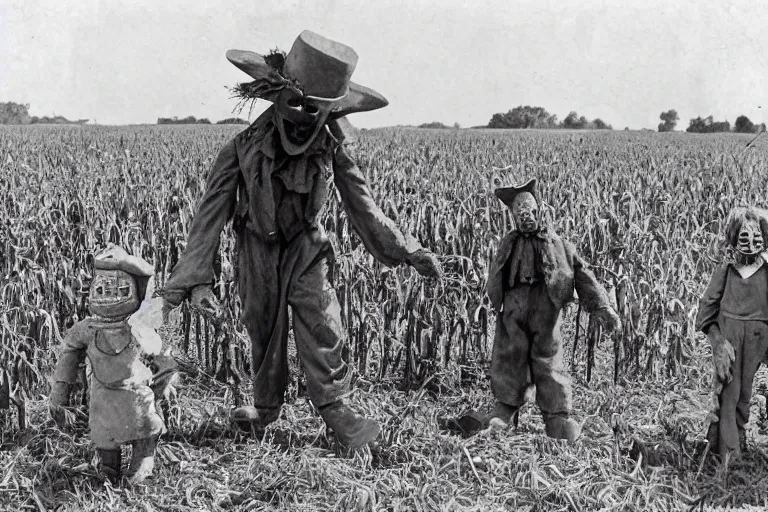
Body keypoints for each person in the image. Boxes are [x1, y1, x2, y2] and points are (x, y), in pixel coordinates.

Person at [162, 30, 441, 450]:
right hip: (256, 250)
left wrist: (408, 249)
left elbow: (363, 206)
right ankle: (266, 408)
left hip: (308, 250)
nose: (305, 118)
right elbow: (210, 214)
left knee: (323, 320)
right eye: (298, 104)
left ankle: (338, 413)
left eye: (317, 110)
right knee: (262, 327)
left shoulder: (332, 149)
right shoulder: (241, 148)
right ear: (275, 95)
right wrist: (195, 280)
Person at [456, 178, 621, 441]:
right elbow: (496, 272)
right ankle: (504, 410)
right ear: (513, 217)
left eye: (529, 211)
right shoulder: (507, 243)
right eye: (519, 213)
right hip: (513, 309)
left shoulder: (558, 244)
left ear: (538, 211)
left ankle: (557, 417)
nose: (525, 217)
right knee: (510, 357)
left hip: (546, 309)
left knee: (548, 360)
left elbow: (581, 273)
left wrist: (601, 307)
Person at [49, 245, 177, 482]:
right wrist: (60, 392)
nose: (108, 294)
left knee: (143, 426)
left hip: (136, 393)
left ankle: (143, 458)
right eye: (102, 287)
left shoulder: (139, 327)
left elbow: (161, 356)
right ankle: (109, 466)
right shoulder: (87, 329)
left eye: (118, 288)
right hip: (103, 396)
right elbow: (69, 351)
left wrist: (165, 380)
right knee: (103, 434)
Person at [696, 206, 768, 458]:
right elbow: (706, 311)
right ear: (734, 238)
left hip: (759, 340)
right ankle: (729, 457)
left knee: (745, 394)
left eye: (756, 236)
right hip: (731, 339)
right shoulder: (726, 271)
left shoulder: (766, 271)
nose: (751, 242)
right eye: (744, 237)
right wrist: (717, 342)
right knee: (729, 393)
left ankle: (737, 440)